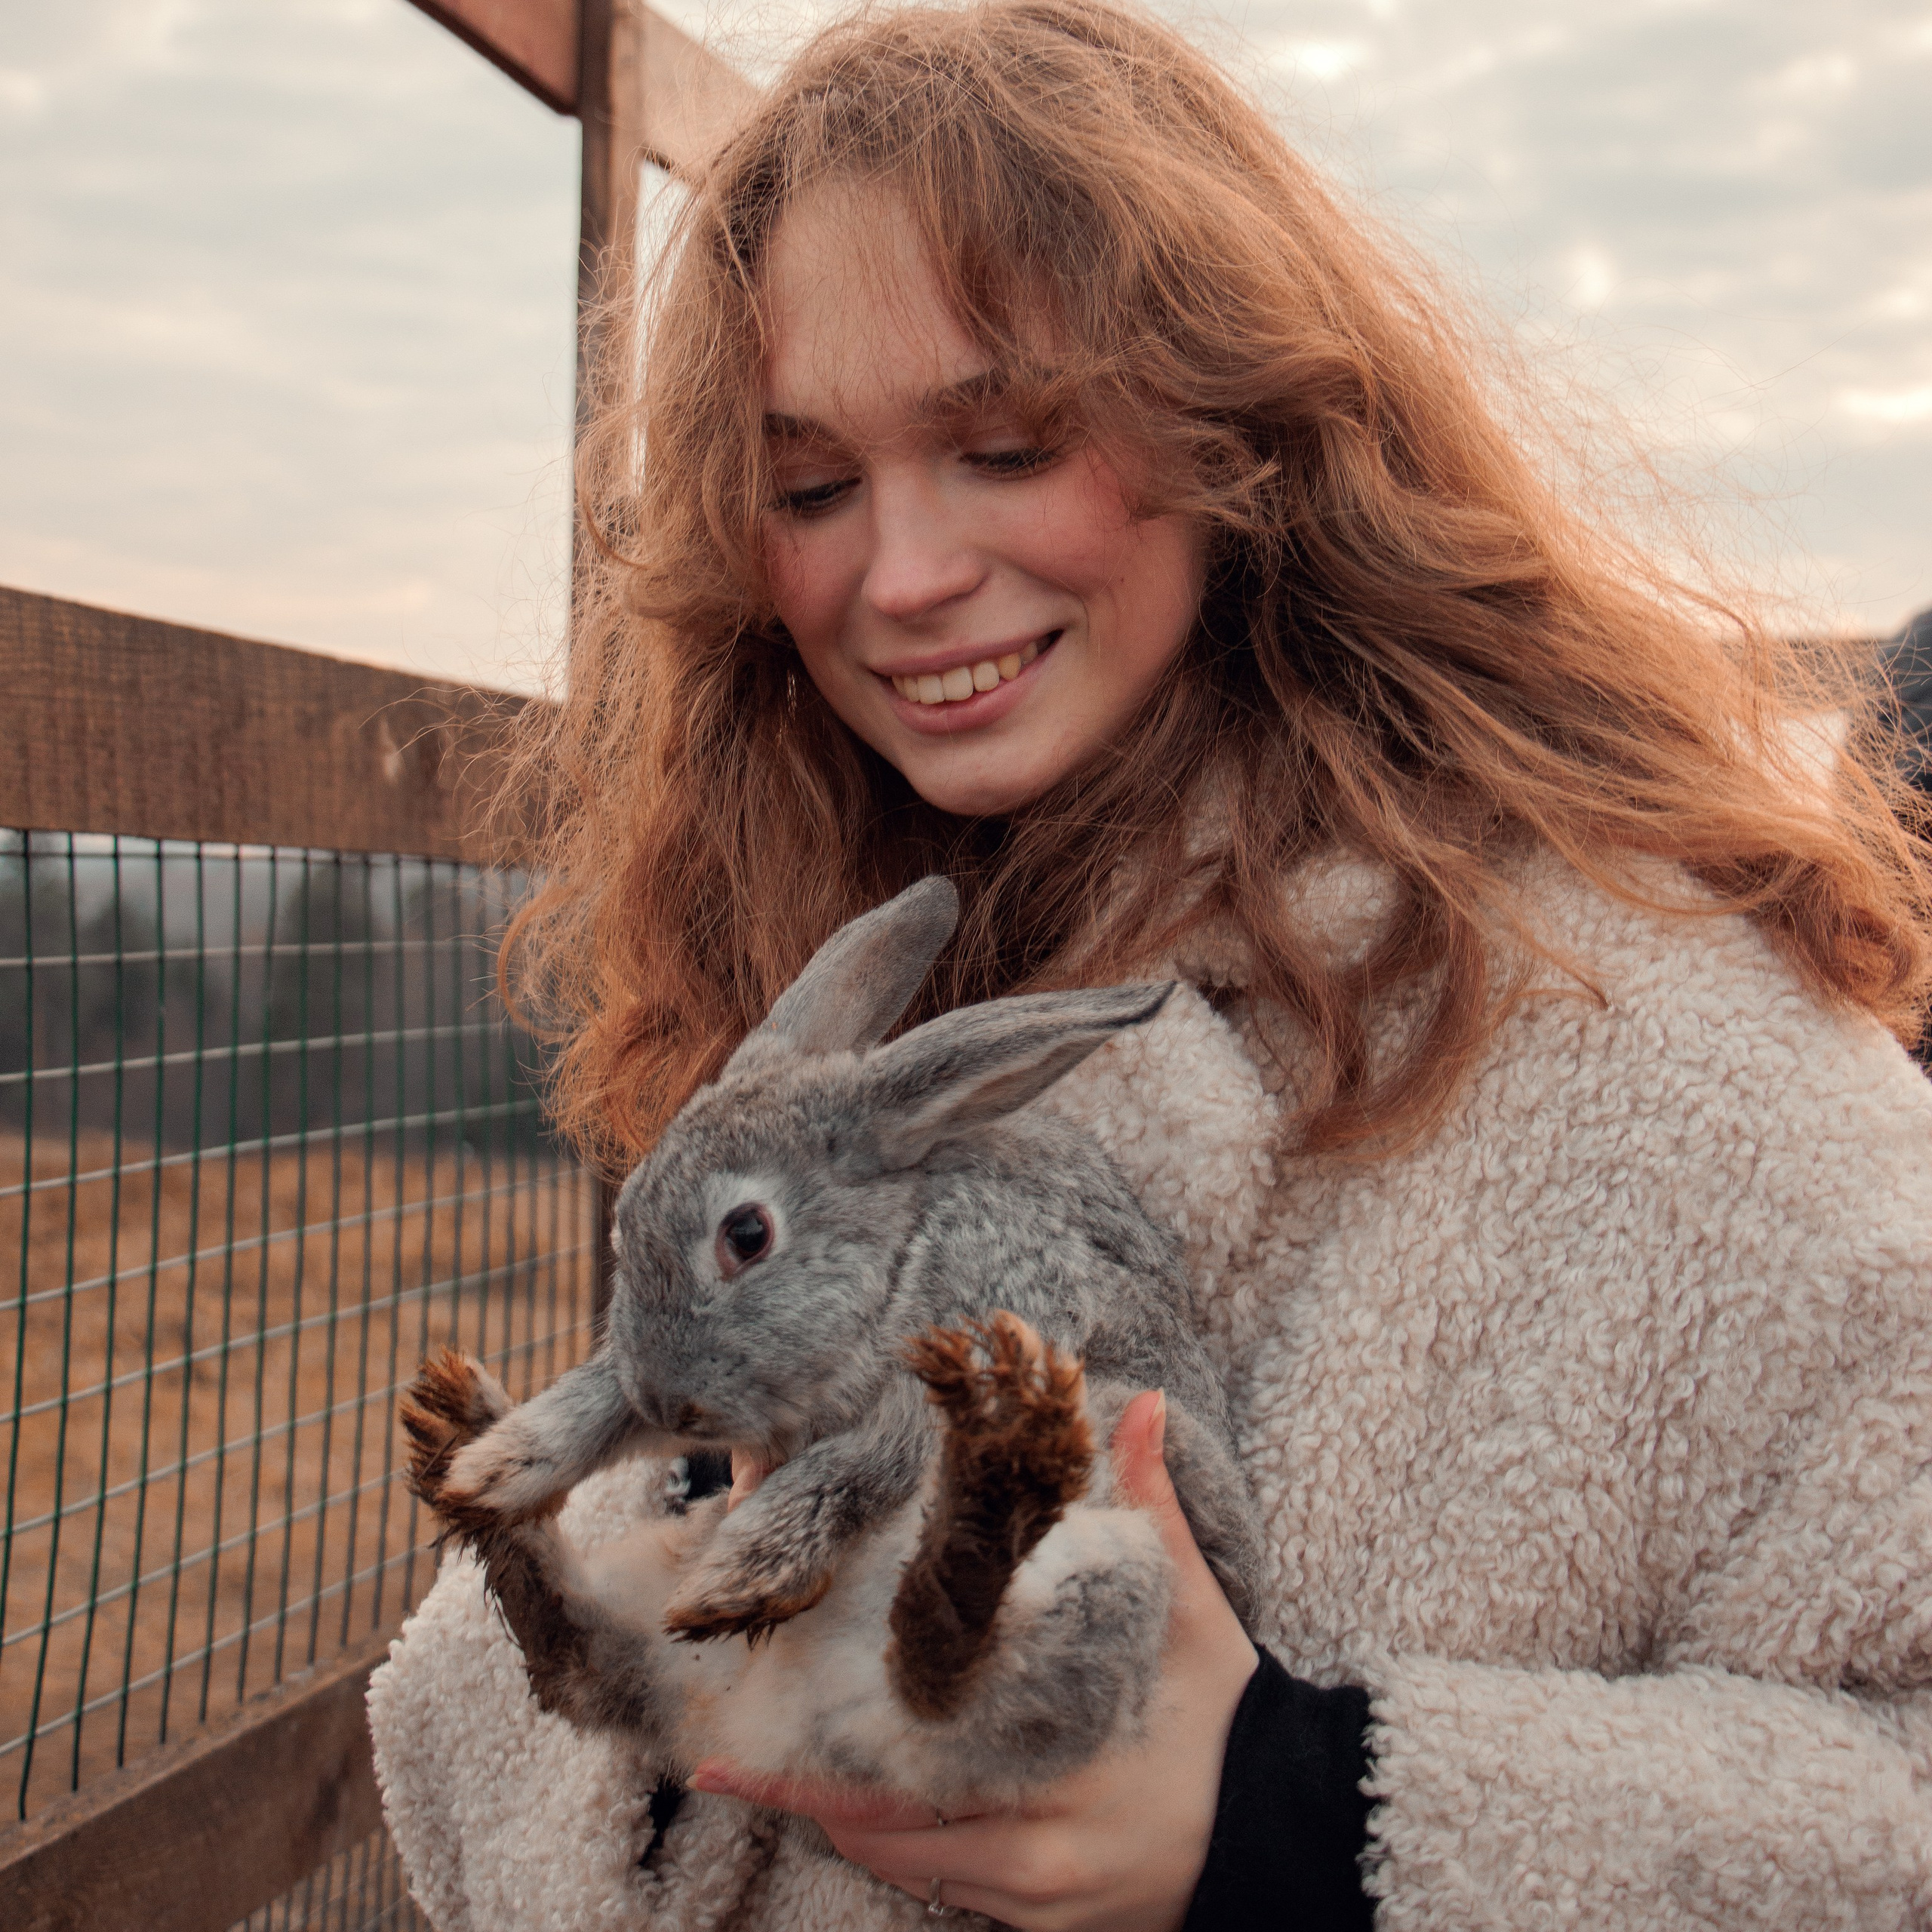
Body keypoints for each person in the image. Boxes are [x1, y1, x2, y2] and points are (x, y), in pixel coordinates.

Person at [366, 2, 1932, 1926]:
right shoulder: (844, 956)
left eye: (1003, 442)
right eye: (811, 488)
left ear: (1232, 426)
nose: (902, 571)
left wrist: (1287, 1815)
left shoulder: (1642, 1020)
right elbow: (524, 1677)